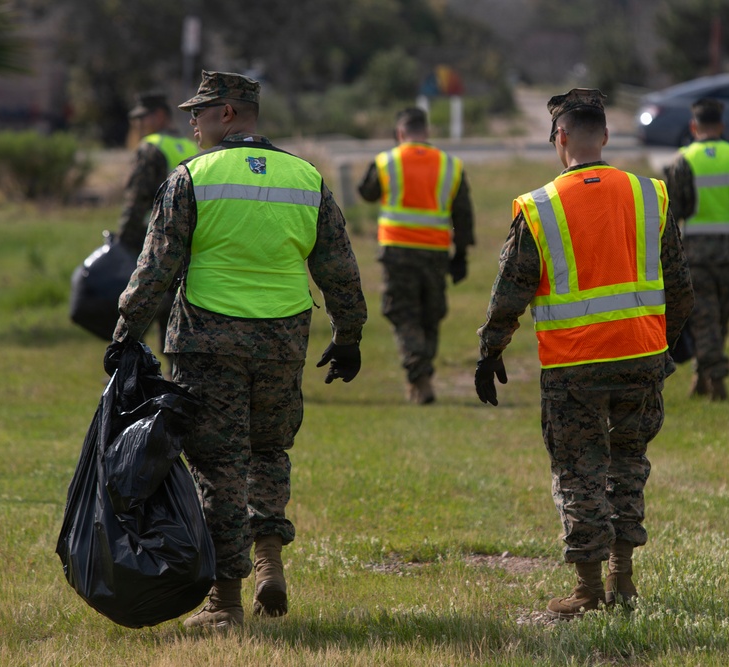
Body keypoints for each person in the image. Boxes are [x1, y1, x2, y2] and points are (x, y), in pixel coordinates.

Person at [104, 71, 368, 630]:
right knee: (268, 451)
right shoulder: (306, 177)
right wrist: (349, 335)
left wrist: (125, 331)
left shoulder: (191, 178)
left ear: (226, 113)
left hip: (208, 342)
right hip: (282, 342)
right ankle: (268, 556)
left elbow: (156, 268)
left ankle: (224, 602)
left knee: (218, 464)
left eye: (198, 113)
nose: (191, 124)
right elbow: (340, 269)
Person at [473, 89, 694, 620]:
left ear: (561, 138)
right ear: (607, 136)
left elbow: (510, 292)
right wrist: (660, 344)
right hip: (641, 358)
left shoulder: (540, 207)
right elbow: (681, 287)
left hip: (574, 365)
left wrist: (490, 350)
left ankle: (589, 588)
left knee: (579, 471)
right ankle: (624, 577)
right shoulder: (650, 195)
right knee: (628, 464)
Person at [357, 107, 475, 404]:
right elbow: (463, 213)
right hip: (435, 252)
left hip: (397, 251)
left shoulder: (387, 161)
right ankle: (421, 374)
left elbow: (367, 192)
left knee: (402, 312)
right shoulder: (450, 164)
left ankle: (418, 373)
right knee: (430, 314)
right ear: (427, 132)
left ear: (400, 133)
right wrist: (461, 255)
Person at [665, 97, 729, 401]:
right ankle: (716, 379)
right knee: (718, 318)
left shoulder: (682, 161)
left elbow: (671, 216)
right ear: (721, 126)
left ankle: (702, 375)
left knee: (707, 320)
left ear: (693, 127)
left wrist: (667, 259)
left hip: (694, 256)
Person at [114, 92, 197, 357]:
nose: (139, 124)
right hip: (189, 242)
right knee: (177, 311)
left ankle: (127, 367)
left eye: (143, 118)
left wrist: (122, 241)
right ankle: (174, 370)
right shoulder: (191, 146)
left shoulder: (151, 147)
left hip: (153, 240)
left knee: (140, 306)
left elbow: (137, 199)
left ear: (159, 115)